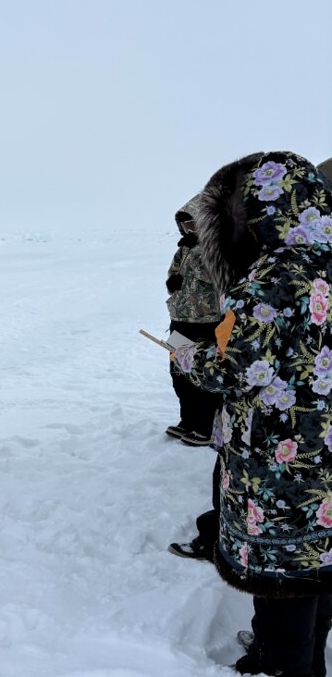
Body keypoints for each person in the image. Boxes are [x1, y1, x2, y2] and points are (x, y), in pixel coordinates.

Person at [172, 151, 332, 677]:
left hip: (281, 465)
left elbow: (232, 368)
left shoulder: (271, 276)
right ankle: (298, 655)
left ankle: (283, 662)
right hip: (324, 456)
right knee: (320, 574)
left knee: (285, 582)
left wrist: (187, 354)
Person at [165, 194, 223, 447]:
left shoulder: (218, 248)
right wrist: (172, 281)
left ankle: (206, 426)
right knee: (179, 372)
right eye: (186, 224)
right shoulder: (183, 249)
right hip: (180, 319)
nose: (189, 229)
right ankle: (187, 420)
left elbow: (221, 278)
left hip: (206, 321)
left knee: (202, 372)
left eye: (194, 224)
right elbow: (174, 273)